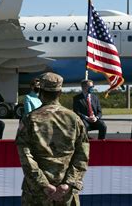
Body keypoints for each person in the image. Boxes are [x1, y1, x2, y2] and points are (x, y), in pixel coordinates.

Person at [16, 72, 90, 205]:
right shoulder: (74, 119)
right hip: (65, 194)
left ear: (40, 92)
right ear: (60, 92)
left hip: (37, 194)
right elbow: (82, 155)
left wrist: (43, 185)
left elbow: (26, 156)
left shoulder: (29, 119)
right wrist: (67, 184)